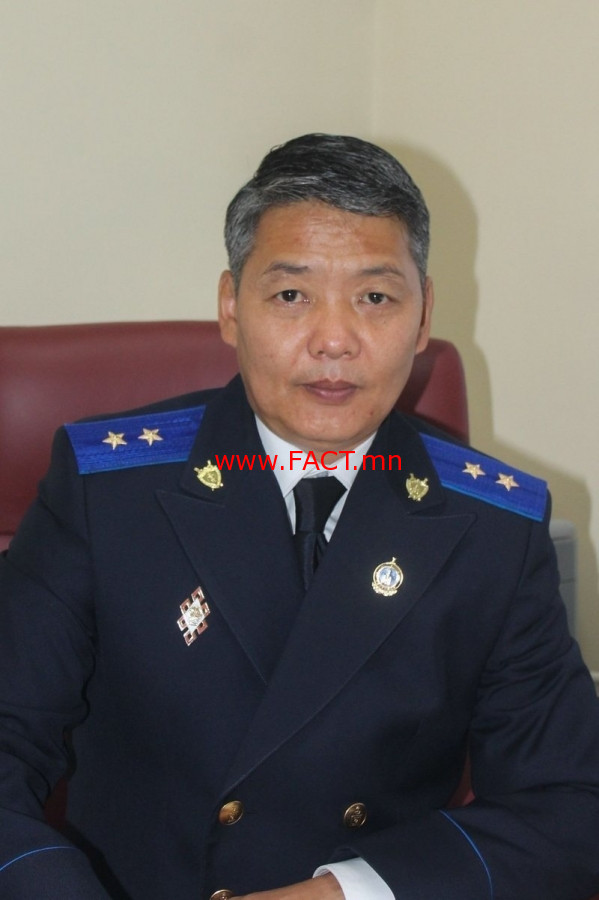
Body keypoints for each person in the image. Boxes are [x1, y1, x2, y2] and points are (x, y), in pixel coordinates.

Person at [1, 133, 599, 900]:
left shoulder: (493, 527)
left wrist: (346, 892)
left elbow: (570, 803)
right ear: (230, 307)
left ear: (423, 318)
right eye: (291, 295)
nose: (334, 341)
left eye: (375, 298)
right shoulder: (105, 489)